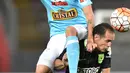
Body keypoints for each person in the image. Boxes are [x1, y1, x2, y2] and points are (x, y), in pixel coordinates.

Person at [36, 0, 97, 73]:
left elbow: (89, 14)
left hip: (79, 28)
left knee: (70, 30)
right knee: (41, 70)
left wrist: (90, 39)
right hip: (57, 35)